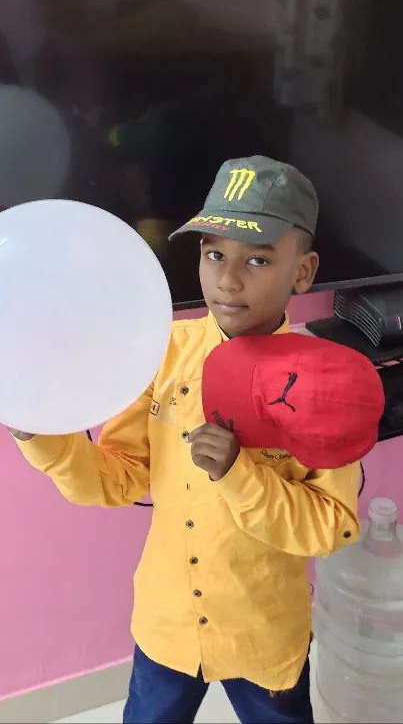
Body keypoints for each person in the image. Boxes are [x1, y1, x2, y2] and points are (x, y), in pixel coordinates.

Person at [10, 155, 361, 724]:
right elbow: (119, 477)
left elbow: (328, 527)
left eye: (259, 259)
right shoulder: (164, 350)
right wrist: (43, 434)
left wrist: (240, 473)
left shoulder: (327, 387)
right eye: (214, 253)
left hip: (263, 633)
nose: (228, 278)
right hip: (167, 623)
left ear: (303, 271)